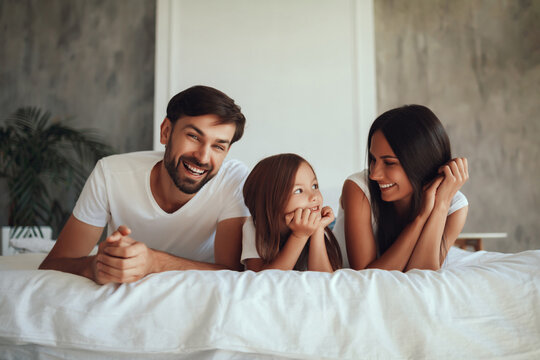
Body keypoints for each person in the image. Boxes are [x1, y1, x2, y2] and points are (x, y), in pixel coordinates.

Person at [39, 85, 250, 283]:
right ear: (166, 131)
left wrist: (154, 263)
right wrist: (95, 266)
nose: (203, 157)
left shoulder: (233, 180)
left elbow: (232, 272)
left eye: (218, 146)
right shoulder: (111, 174)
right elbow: (54, 264)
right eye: (194, 136)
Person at [333, 105, 469, 271]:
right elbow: (366, 276)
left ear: (422, 163)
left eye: (389, 163)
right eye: (373, 159)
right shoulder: (358, 189)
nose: (374, 174)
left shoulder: (454, 206)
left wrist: (440, 205)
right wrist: (421, 216)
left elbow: (423, 274)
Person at [241, 153, 342, 272]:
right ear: (270, 201)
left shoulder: (320, 223)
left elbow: (323, 280)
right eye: (298, 190)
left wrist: (318, 229)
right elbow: (263, 279)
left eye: (314, 186)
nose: (313, 197)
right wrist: (299, 236)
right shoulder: (254, 226)